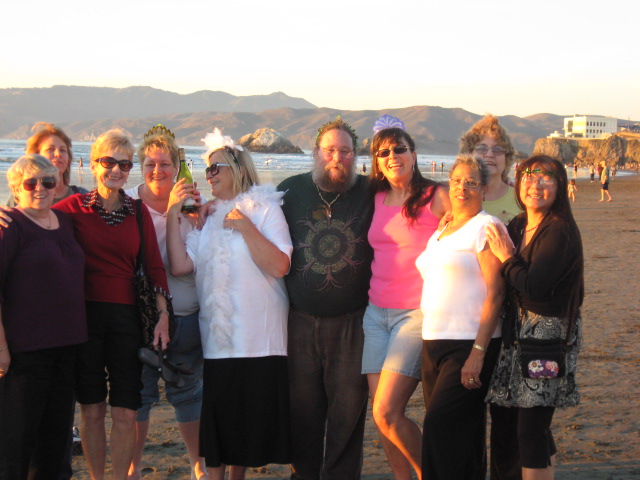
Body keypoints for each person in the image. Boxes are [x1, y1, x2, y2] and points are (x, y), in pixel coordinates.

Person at [167, 128, 292, 480]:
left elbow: (280, 265)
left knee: (246, 434)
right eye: (206, 170)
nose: (209, 176)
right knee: (221, 428)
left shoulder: (265, 209)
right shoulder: (205, 220)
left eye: (215, 168)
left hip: (259, 340)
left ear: (237, 168)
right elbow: (180, 266)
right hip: (219, 342)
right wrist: (174, 213)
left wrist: (242, 224)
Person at [54, 129, 171, 480]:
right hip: (83, 318)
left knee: (125, 410)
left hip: (127, 319)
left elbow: (154, 267)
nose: (116, 170)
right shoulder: (71, 209)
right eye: (109, 162)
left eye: (124, 163)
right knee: (91, 408)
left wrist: (163, 315)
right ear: (92, 165)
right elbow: (33, 219)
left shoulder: (138, 212)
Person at [277, 118, 373, 479]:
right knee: (303, 412)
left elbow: (412, 201)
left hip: (353, 324)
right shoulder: (290, 191)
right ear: (316, 153)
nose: (337, 157)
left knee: (348, 414)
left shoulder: (370, 192)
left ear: (355, 156)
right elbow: (251, 212)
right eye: (330, 150)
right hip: (299, 321)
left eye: (345, 151)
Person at [485, 155, 584, 480]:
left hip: (547, 342)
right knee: (532, 426)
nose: (536, 185)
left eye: (546, 179)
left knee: (530, 430)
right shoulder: (518, 225)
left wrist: (507, 256)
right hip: (519, 338)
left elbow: (535, 288)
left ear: (560, 187)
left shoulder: (558, 231)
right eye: (529, 177)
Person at [364, 122, 449, 479]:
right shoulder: (375, 198)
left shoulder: (437, 196)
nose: (392, 156)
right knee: (382, 417)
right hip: (374, 314)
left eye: (399, 149)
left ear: (414, 154)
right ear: (377, 162)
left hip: (415, 315)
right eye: (383, 152)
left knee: (386, 410)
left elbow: (470, 232)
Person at [416, 154, 505, 480]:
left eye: (471, 182)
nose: (462, 188)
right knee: (462, 435)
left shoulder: (486, 226)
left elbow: (496, 292)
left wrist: (478, 354)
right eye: (456, 181)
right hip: (433, 343)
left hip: (469, 344)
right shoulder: (442, 231)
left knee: (439, 427)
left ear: (483, 188)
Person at [125, 129, 207, 480]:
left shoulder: (194, 208)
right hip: (137, 319)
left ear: (178, 168)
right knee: (138, 395)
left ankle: (198, 464)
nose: (157, 170)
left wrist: (204, 216)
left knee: (188, 393)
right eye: (149, 164)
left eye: (165, 164)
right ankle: (134, 465)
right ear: (139, 168)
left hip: (186, 315)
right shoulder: (127, 204)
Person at [0, 154, 87, 479]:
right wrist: (2, 348)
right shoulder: (10, 226)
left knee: (55, 441)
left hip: (66, 347)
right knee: (16, 442)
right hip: (25, 353)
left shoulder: (65, 222)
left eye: (48, 182)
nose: (41, 188)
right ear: (16, 187)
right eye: (31, 182)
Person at [4, 123, 88, 205]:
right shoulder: (21, 197)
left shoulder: (83, 197)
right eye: (50, 149)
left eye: (63, 150)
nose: (58, 154)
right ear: (36, 156)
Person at [460, 114, 521, 225]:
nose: (489, 154)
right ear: (468, 154)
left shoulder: (521, 200)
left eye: (497, 150)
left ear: (507, 157)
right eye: (482, 149)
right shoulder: (457, 196)